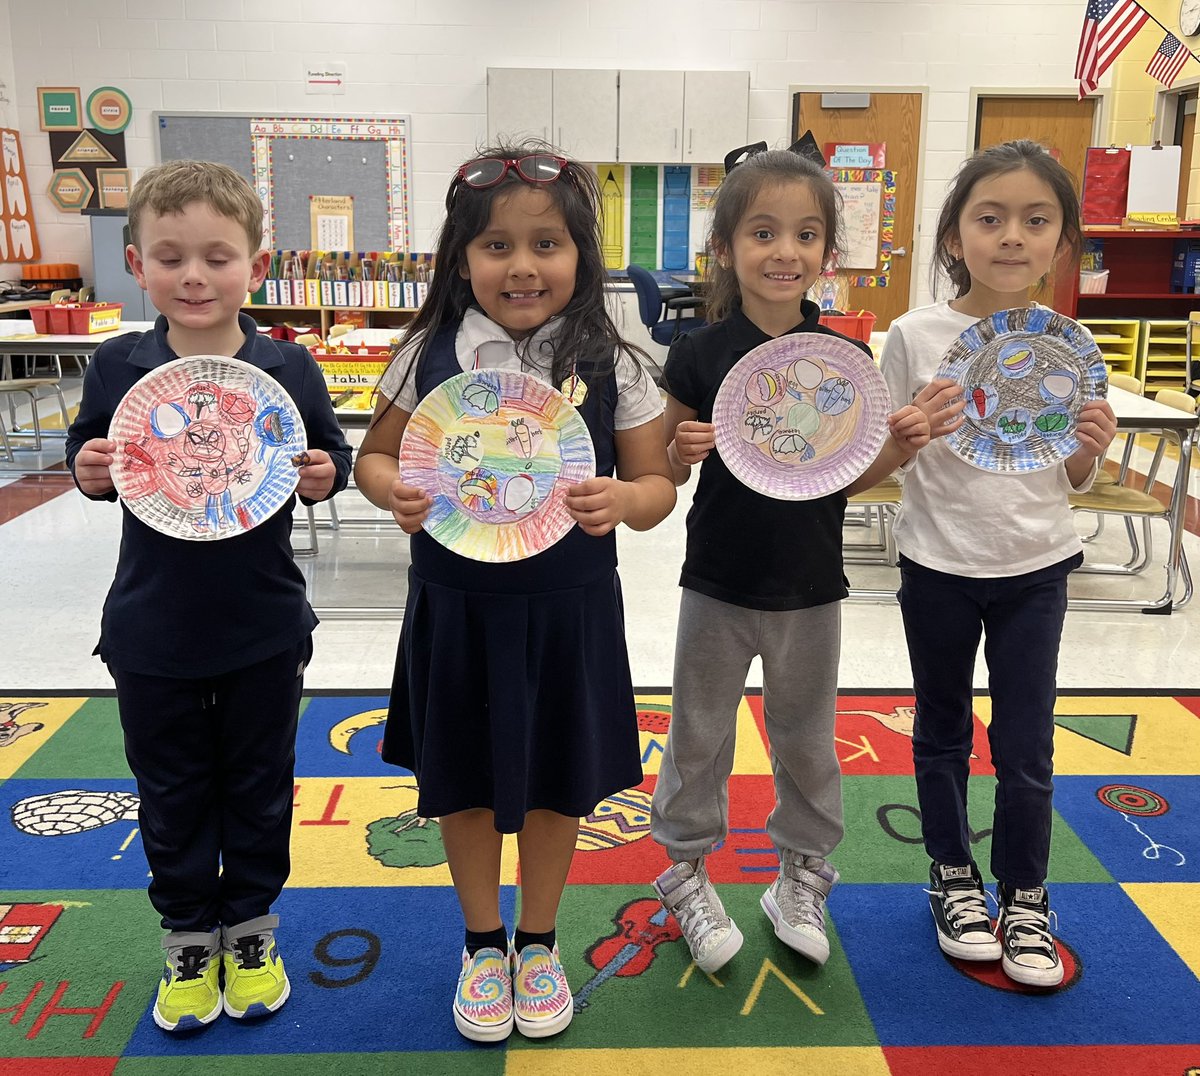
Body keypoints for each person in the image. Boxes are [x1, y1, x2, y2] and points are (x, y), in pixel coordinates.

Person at [354, 143, 675, 1042]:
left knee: (554, 783)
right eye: (497, 246)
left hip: (568, 610)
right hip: (455, 607)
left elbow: (656, 490)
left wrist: (625, 499)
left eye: (547, 244)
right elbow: (372, 457)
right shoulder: (428, 353)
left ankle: (538, 941)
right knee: (460, 779)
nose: (523, 266)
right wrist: (394, 492)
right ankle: (480, 942)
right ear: (462, 259)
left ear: (583, 255)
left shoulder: (618, 360)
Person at [65, 160, 352, 1031]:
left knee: (262, 783)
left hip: (263, 623)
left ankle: (253, 930)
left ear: (255, 268)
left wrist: (318, 475)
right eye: (171, 256)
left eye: (218, 257)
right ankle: (189, 938)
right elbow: (91, 461)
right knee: (172, 786)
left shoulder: (288, 368)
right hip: (152, 627)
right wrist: (88, 472)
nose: (195, 276)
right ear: (137, 262)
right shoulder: (118, 365)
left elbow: (328, 457)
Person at [649, 147, 945, 975]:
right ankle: (684, 871)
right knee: (699, 734)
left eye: (806, 235)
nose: (786, 251)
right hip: (716, 579)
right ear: (726, 248)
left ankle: (801, 875)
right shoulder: (701, 352)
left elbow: (851, 478)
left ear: (827, 254)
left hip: (812, 585)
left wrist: (899, 447)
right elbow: (667, 468)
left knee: (809, 739)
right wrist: (681, 447)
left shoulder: (841, 357)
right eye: (764, 232)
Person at [879, 140, 1117, 988]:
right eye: (990, 218)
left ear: (1062, 243)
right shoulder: (912, 334)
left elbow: (1069, 472)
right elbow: (886, 457)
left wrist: (1091, 451)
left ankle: (1026, 892)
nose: (1011, 236)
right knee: (940, 729)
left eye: (1035, 220)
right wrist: (908, 432)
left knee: (1025, 742)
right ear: (954, 236)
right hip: (938, 560)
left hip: (1036, 565)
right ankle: (951, 874)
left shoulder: (1070, 342)